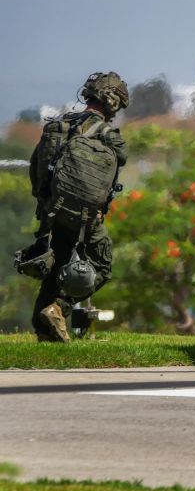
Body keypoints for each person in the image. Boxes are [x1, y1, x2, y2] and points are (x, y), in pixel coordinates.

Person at [22, 72, 129, 342]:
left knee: (56, 265)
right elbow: (123, 156)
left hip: (52, 211)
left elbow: (36, 171)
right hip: (87, 217)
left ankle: (45, 332)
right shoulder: (106, 133)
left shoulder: (57, 126)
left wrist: (48, 204)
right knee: (102, 266)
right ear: (112, 101)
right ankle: (59, 307)